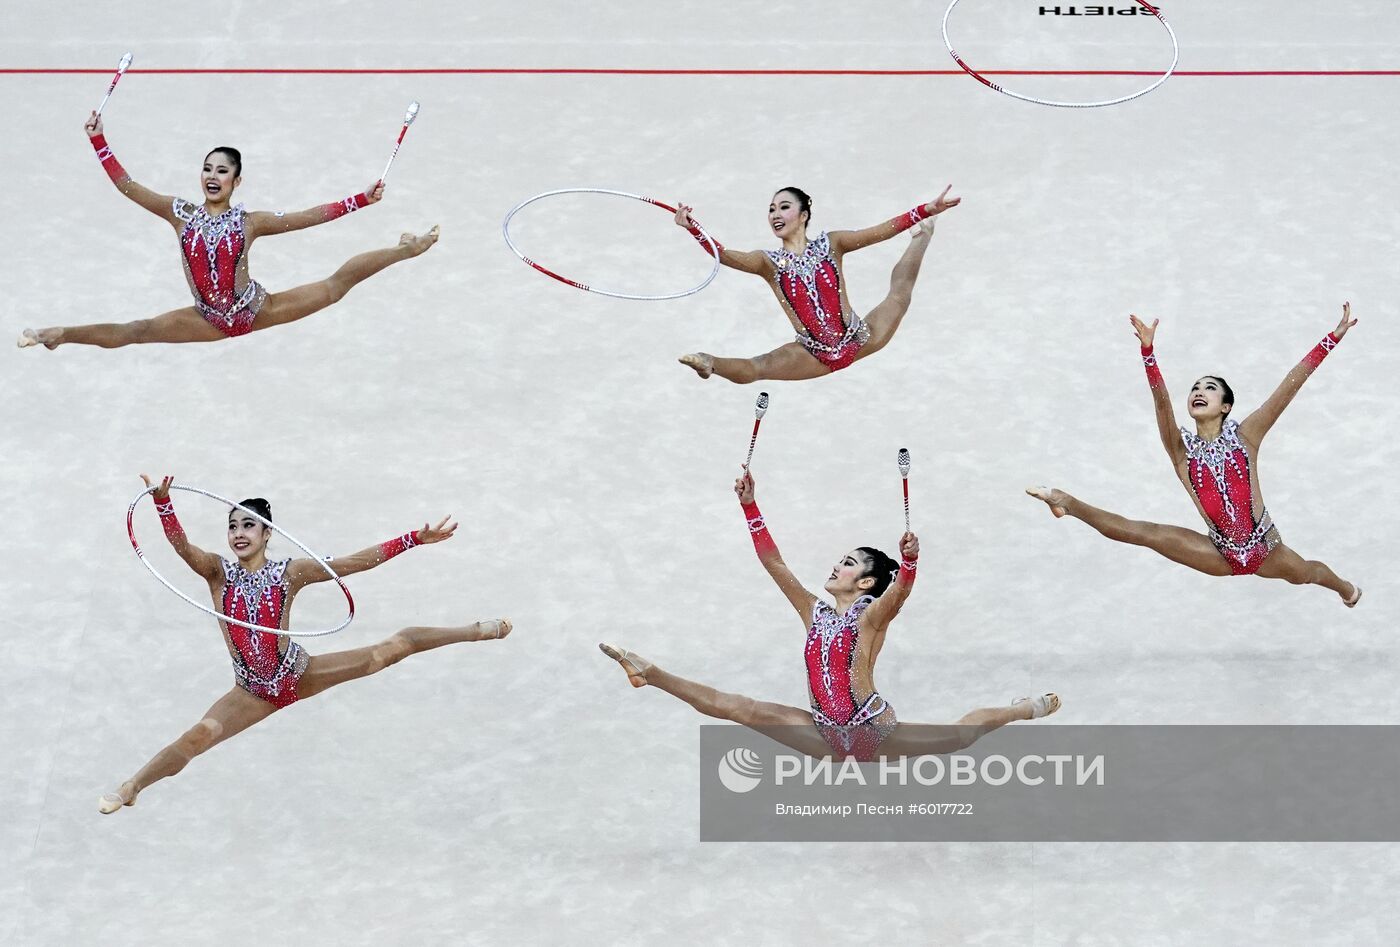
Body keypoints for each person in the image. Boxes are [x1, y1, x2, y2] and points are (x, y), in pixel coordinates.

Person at [99, 475, 510, 813]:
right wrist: (164, 503)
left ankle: (475, 630)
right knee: (197, 738)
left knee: (392, 649)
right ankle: (132, 786)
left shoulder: (290, 572)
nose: (239, 534)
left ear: (267, 533)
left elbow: (353, 563)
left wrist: (414, 538)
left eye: (248, 525)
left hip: (300, 675)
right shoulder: (217, 572)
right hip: (251, 694)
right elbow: (182, 548)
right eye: (233, 526)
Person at [600, 469, 1058, 761]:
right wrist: (749, 505)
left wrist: (911, 561)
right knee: (734, 707)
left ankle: (1021, 709)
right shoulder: (814, 612)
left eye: (849, 563)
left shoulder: (870, 617)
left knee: (961, 736)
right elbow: (773, 563)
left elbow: (900, 592)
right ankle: (648, 672)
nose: (837, 566)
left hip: (872, 730)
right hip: (822, 732)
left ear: (865, 583)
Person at [1028, 305, 1361, 605]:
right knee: (1144, 533)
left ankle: (1345, 589)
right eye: (1195, 388)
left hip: (1266, 548)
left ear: (1226, 406)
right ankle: (1066, 503)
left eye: (1210, 388)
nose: (1199, 392)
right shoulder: (1181, 452)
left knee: (1306, 573)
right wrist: (1148, 354)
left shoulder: (1247, 437)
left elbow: (1289, 386)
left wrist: (1332, 338)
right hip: (1218, 553)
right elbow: (1162, 404)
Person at [20, 112, 437, 349]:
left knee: (334, 287)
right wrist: (99, 140)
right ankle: (61, 335)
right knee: (138, 330)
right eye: (207, 169)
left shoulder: (249, 222)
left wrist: (361, 199)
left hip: (255, 311)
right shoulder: (179, 213)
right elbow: (127, 186)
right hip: (206, 319)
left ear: (237, 181)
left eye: (222, 171)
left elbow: (310, 216)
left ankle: (405, 249)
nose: (212, 176)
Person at [673, 186, 959, 382]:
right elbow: (722, 254)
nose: (775, 214)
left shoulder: (832, 243)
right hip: (812, 355)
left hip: (860, 340)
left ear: (803, 215)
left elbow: (881, 231)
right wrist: (693, 228)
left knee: (899, 296)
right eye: (771, 209)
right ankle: (709, 362)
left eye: (784, 207)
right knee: (758, 367)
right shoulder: (766, 262)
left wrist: (925, 210)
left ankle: (922, 236)